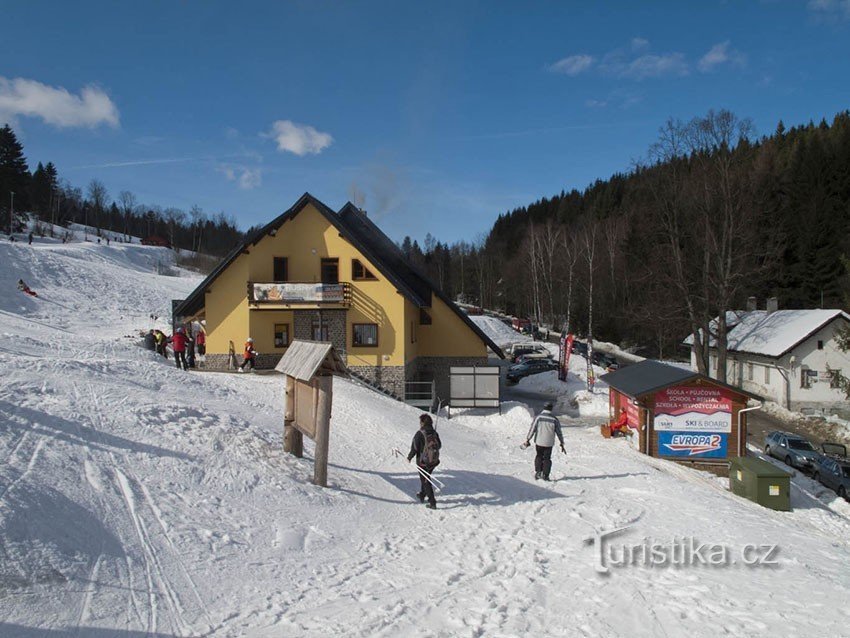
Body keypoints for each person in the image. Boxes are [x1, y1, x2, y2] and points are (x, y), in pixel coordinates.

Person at [523, 402, 565, 481]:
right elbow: (559, 432)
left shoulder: (539, 417)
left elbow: (533, 429)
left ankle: (538, 472)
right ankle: (545, 475)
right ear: (551, 409)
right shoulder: (554, 419)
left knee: (539, 456)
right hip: (549, 443)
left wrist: (528, 438)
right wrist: (561, 442)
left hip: (539, 442)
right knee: (547, 458)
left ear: (544, 408)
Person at [407, 414, 442, 509]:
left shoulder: (420, 433)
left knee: (426, 481)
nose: (420, 424)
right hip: (433, 461)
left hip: (423, 462)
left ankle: (432, 502)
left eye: (420, 422)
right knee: (425, 477)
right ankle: (422, 494)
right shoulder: (434, 433)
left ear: (422, 422)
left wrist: (409, 457)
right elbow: (439, 445)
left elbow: (415, 447)